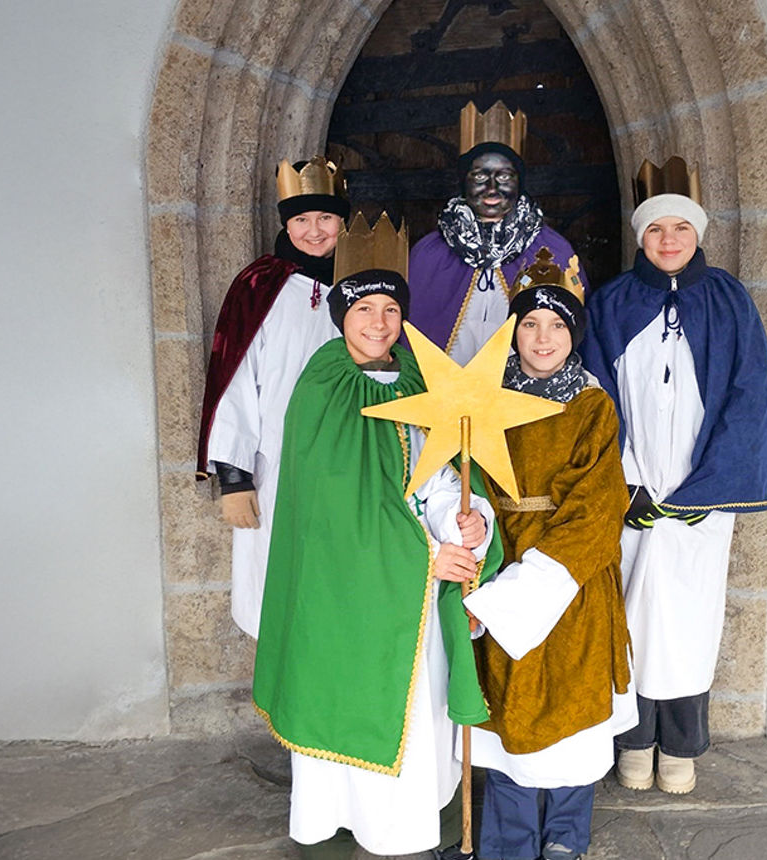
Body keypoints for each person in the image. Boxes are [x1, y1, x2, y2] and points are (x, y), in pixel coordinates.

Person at [251, 216, 502, 860]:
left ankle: (401, 830)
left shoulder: (419, 379)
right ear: (342, 314)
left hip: (413, 594)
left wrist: (465, 523)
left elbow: (438, 477)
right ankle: (332, 823)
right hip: (346, 593)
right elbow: (333, 512)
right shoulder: (323, 385)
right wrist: (427, 557)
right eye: (364, 308)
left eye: (391, 308)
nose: (379, 322)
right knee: (343, 702)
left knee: (414, 712)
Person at [580, 189, 767, 794]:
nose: (669, 240)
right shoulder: (611, 302)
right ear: (640, 237)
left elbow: (749, 395)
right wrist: (620, 482)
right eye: (657, 229)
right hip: (632, 493)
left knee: (689, 622)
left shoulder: (729, 301)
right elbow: (592, 392)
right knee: (631, 618)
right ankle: (634, 742)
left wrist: (710, 488)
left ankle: (681, 747)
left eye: (680, 228)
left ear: (698, 234)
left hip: (700, 495)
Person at [462, 249, 636, 860]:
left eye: (557, 324)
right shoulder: (484, 402)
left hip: (570, 575)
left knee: (572, 701)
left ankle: (565, 833)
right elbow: (469, 480)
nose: (543, 338)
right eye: (531, 323)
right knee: (508, 705)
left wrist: (534, 583)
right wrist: (475, 531)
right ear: (513, 331)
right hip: (501, 557)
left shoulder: (591, 405)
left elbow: (596, 506)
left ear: (574, 334)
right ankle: (507, 842)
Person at [195, 157, 348, 638]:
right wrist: (235, 479)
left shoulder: (365, 285)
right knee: (276, 585)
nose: (314, 231)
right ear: (286, 224)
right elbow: (235, 381)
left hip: (348, 458)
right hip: (275, 462)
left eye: (325, 217)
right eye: (301, 219)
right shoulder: (260, 286)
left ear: (343, 220)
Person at [409, 101, 587, 364]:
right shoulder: (430, 253)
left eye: (504, 177)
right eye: (480, 177)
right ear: (464, 182)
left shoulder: (552, 250)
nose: (492, 188)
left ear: (519, 183)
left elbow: (572, 330)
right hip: (444, 384)